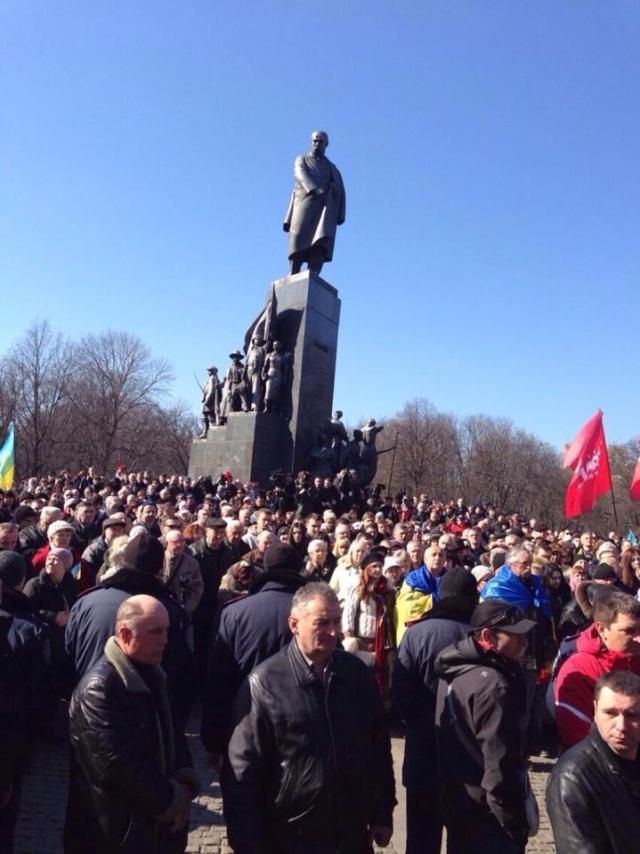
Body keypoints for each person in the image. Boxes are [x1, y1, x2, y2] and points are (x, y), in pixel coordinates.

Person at [222, 583, 395, 853]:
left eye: (337, 621)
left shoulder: (357, 674)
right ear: (294, 624)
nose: (333, 632)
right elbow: (242, 770)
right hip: (291, 834)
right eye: (322, 623)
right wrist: (247, 842)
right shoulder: (264, 684)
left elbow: (378, 746)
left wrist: (383, 810)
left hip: (351, 832)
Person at [65, 595, 198, 854]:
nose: (165, 640)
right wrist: (171, 802)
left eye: (166, 630)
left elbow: (174, 734)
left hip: (149, 831)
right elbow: (118, 766)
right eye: (155, 632)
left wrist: (184, 783)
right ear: (125, 634)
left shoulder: (153, 673)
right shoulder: (100, 689)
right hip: (115, 834)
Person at [435, 599, 537, 854]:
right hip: (487, 812)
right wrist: (512, 821)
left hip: (458, 800)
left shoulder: (455, 667)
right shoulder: (494, 685)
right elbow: (498, 763)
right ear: (487, 636)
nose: (524, 641)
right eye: (515, 635)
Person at [392, 567, 478, 854]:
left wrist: (418, 724)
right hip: (469, 753)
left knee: (420, 838)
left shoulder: (416, 634)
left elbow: (401, 691)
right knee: (465, 838)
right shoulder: (479, 636)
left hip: (423, 748)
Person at [201, 542, 307, 766]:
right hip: (301, 732)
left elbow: (218, 681)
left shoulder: (234, 612)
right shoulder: (315, 614)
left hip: (245, 728)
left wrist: (213, 742)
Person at [546, 670, 640, 853]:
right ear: (595, 711)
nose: (621, 726)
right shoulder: (572, 777)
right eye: (610, 713)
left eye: (632, 715)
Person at [554, 590, 640, 747]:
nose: (638, 638)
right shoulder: (579, 669)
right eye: (629, 631)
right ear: (602, 630)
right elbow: (577, 735)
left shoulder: (636, 657)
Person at [283, 129, 346, 275]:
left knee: (320, 244)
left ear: (326, 144)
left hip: (324, 211)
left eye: (321, 142)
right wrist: (315, 189)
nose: (317, 144)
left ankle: (313, 276)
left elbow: (341, 190)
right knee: (298, 240)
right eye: (315, 141)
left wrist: (333, 191)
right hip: (304, 205)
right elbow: (300, 174)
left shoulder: (333, 169)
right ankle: (293, 274)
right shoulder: (302, 159)